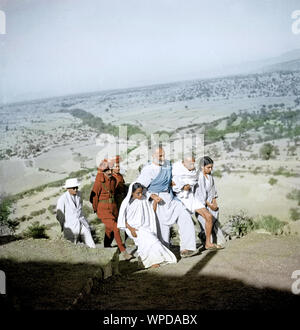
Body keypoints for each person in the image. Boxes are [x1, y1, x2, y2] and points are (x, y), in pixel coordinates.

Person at [136, 146, 197, 258]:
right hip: (157, 200)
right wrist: (151, 195)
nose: (163, 158)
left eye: (164, 155)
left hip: (170, 197)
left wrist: (181, 185)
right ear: (153, 156)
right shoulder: (148, 169)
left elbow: (175, 177)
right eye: (160, 156)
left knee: (185, 215)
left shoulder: (167, 165)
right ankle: (163, 252)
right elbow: (139, 187)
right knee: (162, 227)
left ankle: (187, 248)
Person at [117, 182, 177, 268]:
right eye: (138, 193)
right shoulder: (126, 203)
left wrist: (155, 202)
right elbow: (122, 219)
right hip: (132, 228)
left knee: (152, 241)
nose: (140, 194)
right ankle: (152, 262)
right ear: (132, 192)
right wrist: (131, 229)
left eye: (141, 192)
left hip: (144, 227)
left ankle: (147, 261)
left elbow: (151, 212)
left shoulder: (143, 199)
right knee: (151, 241)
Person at [89, 158, 132, 260]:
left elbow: (114, 193)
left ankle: (106, 248)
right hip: (103, 209)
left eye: (110, 170)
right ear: (103, 172)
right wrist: (96, 209)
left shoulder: (113, 180)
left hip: (113, 208)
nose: (109, 172)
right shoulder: (99, 182)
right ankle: (123, 251)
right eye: (107, 171)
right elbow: (93, 197)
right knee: (115, 227)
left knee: (110, 230)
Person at [195, 156, 226, 250]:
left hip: (210, 202)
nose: (210, 169)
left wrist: (214, 202)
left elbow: (213, 191)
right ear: (202, 167)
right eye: (208, 167)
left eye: (211, 167)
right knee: (206, 222)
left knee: (213, 222)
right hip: (200, 204)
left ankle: (211, 240)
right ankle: (207, 241)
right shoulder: (199, 177)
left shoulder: (210, 177)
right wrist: (209, 204)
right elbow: (199, 195)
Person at [56, 178, 96, 248]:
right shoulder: (62, 199)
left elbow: (80, 209)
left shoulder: (80, 194)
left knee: (91, 245)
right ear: (68, 189)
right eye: (73, 188)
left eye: (76, 187)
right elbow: (59, 216)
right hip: (70, 227)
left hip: (82, 223)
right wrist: (64, 226)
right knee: (71, 248)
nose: (76, 190)